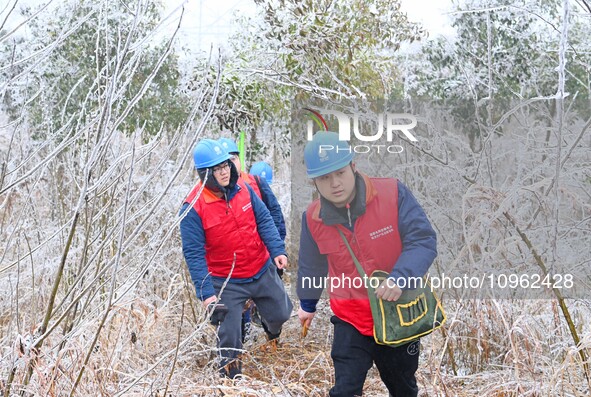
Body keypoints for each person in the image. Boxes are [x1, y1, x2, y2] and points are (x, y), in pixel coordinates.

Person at [296, 131, 437, 397]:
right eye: (325, 178)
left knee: (402, 387)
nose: (335, 183)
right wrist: (307, 304)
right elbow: (311, 266)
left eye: (339, 172)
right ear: (315, 182)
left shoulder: (392, 193)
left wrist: (401, 277)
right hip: (350, 317)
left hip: (397, 313)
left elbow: (423, 240)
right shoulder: (312, 218)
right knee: (345, 390)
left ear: (353, 166)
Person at [179, 138, 293, 379]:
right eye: (218, 168)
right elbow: (194, 255)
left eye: (227, 165)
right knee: (230, 339)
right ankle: (232, 382)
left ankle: (267, 324)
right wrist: (207, 296)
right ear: (205, 173)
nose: (225, 171)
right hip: (226, 281)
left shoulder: (244, 188)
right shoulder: (192, 208)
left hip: (261, 268)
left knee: (281, 314)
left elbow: (263, 219)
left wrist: (277, 250)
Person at [218, 138, 288, 340]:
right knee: (238, 306)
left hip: (262, 257)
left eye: (232, 159)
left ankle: (272, 336)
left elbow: (273, 214)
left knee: (271, 306)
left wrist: (277, 247)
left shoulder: (254, 183)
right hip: (233, 264)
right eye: (223, 163)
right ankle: (242, 339)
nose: (229, 166)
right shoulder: (213, 193)